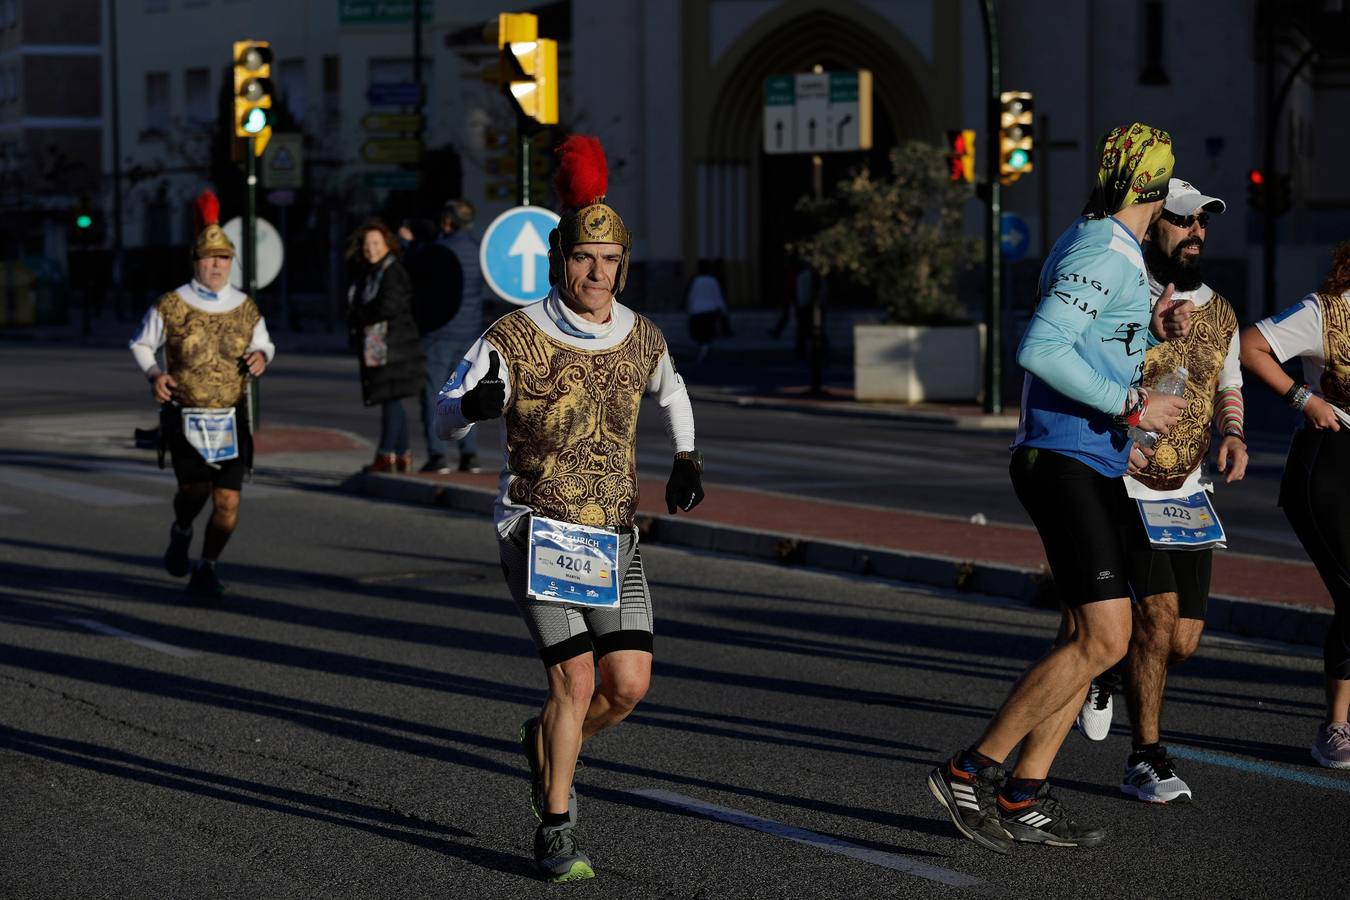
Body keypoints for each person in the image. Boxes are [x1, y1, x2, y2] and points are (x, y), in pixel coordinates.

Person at [435, 135, 704, 882]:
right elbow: (443, 417)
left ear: (623, 262)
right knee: (576, 682)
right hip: (538, 529)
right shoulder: (515, 333)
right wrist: (473, 405)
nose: (597, 273)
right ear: (561, 258)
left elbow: (672, 387)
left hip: (614, 537)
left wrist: (687, 456)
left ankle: (549, 740)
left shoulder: (639, 332)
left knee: (628, 685)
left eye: (609, 259)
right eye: (584, 258)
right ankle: (556, 825)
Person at [927, 123, 1192, 853]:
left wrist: (1149, 333)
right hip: (1063, 454)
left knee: (1092, 638)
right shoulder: (1103, 250)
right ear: (1160, 190)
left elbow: (1094, 342)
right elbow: (1038, 349)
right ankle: (969, 768)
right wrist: (1131, 406)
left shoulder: (1115, 250)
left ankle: (1022, 792)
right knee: (1105, 633)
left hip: (1093, 457)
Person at [1074, 178, 1248, 804]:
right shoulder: (1126, 295)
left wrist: (1234, 435)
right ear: (1155, 226)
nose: (1195, 232)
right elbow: (1085, 368)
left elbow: (1230, 382)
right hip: (1126, 480)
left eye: (1202, 222)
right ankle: (1145, 758)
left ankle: (1109, 667)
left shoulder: (1222, 310)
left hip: (1189, 491)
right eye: (1182, 221)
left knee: (1184, 639)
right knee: (1158, 616)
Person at [128, 190, 275, 598]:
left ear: (232, 262)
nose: (217, 265)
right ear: (196, 261)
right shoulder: (172, 305)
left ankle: (206, 565)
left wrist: (262, 355)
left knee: (227, 503)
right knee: (194, 492)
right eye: (210, 258)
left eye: (224, 258)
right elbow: (140, 343)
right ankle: (182, 530)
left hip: (230, 416)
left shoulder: (246, 307)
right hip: (187, 415)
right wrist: (155, 373)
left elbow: (266, 343)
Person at [1240, 240, 1350, 770]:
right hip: (1329, 464)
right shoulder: (1325, 311)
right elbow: (1251, 345)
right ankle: (1335, 726)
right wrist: (1303, 398)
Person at [347, 218, 425, 473]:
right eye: (367, 244)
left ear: (388, 244)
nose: (371, 248)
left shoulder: (392, 271)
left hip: (395, 346)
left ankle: (385, 455)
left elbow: (388, 306)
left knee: (390, 398)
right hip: (381, 344)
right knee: (391, 399)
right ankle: (402, 455)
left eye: (376, 243)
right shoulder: (370, 272)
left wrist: (360, 313)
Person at [419, 199, 487, 474]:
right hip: (470, 333)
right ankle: (469, 454)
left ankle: (438, 456)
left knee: (434, 394)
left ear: (447, 221)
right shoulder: (478, 251)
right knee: (465, 393)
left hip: (440, 334)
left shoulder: (439, 251)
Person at [685, 258, 728, 363]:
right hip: (710, 310)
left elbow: (692, 296)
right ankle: (705, 348)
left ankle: (703, 348)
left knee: (700, 332)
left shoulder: (696, 281)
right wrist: (723, 310)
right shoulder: (713, 281)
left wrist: (690, 309)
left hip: (698, 310)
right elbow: (717, 296)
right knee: (707, 332)